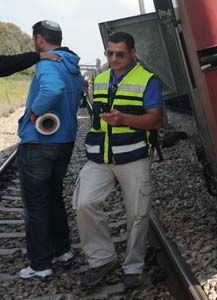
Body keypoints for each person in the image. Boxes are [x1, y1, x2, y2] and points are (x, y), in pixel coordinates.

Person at [74, 31, 163, 291]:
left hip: (133, 156)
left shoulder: (148, 81)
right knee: (84, 203)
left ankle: (133, 267)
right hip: (100, 158)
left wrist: (125, 120)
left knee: (137, 214)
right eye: (109, 53)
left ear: (132, 53)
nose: (113, 59)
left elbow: (156, 120)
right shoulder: (99, 79)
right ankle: (102, 260)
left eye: (119, 54)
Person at [17, 20, 83, 280]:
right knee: (53, 197)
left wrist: (33, 113)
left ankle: (40, 264)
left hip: (39, 144)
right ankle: (62, 251)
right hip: (63, 141)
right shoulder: (72, 65)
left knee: (35, 204)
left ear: (39, 39)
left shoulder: (47, 62)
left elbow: (52, 89)